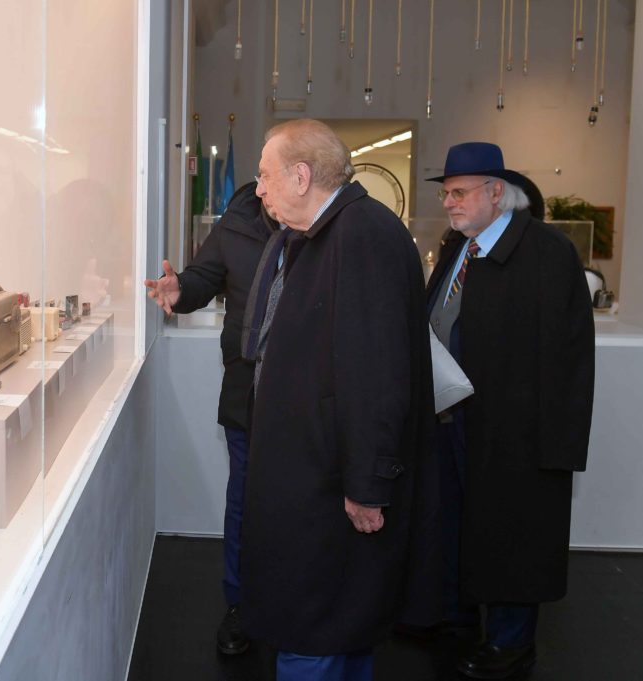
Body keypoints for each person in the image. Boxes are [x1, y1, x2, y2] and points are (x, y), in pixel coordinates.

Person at [239, 118, 439, 681]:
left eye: (265, 175)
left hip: (332, 489)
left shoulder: (361, 236)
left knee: (319, 630)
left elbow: (376, 374)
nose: (259, 189)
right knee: (335, 628)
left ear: (301, 176)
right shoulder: (325, 235)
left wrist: (368, 484)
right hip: (315, 480)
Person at [425, 142, 595, 679]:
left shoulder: (546, 252)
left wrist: (558, 443)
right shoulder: (459, 246)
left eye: (459, 192)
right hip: (453, 418)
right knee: (457, 525)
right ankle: (458, 618)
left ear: (496, 192)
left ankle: (510, 642)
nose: (448, 203)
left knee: (513, 534)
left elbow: (569, 356)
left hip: (516, 432)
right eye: (446, 193)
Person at [143, 180, 277, 655]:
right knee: (244, 499)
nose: (263, 184)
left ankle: (296, 604)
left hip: (312, 400)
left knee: (303, 506)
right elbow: (204, 276)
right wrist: (180, 289)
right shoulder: (238, 222)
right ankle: (241, 605)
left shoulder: (329, 227)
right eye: (262, 175)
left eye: (272, 173)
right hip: (247, 391)